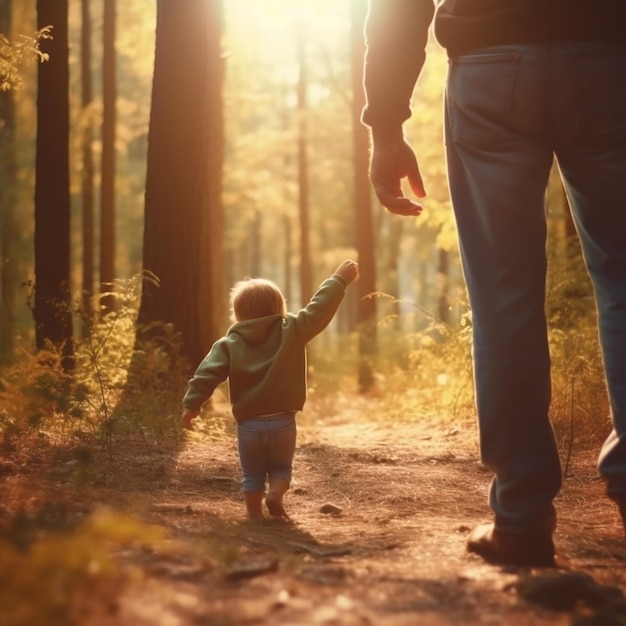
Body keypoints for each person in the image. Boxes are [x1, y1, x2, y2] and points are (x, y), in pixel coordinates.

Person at [362, 0, 626, 567]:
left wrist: (386, 124)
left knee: (503, 297)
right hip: (608, 61)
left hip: (488, 68)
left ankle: (522, 517)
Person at [182, 260, 359, 520]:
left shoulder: (229, 343)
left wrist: (191, 404)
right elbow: (317, 310)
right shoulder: (293, 330)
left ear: (238, 314)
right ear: (280, 308)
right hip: (283, 422)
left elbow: (206, 373)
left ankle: (254, 514)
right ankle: (275, 495)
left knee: (251, 474)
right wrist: (338, 280)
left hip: (249, 426)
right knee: (281, 468)